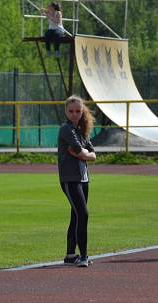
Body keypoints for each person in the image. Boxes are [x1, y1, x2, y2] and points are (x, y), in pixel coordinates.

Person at [57, 95, 96, 268]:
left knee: (76, 215)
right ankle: (84, 256)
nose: (74, 114)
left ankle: (70, 255)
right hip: (70, 179)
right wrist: (85, 154)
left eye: (78, 111)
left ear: (82, 112)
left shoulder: (80, 130)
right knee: (83, 214)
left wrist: (85, 155)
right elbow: (80, 151)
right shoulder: (66, 129)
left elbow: (91, 154)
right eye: (71, 111)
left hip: (83, 178)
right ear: (66, 111)